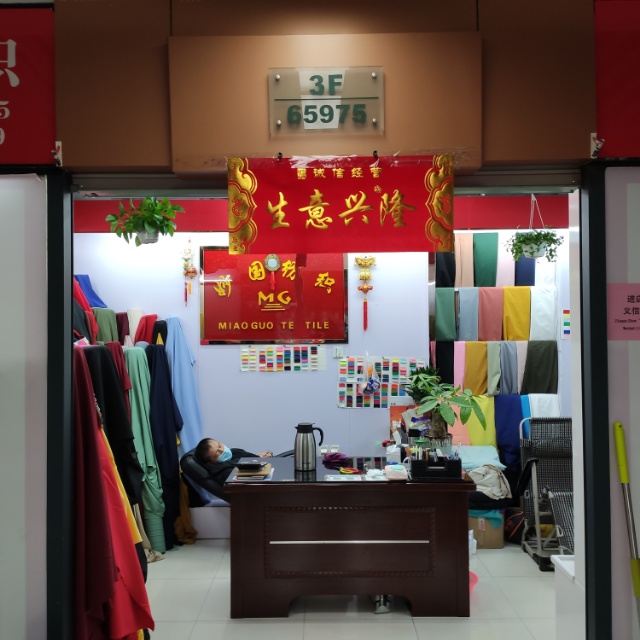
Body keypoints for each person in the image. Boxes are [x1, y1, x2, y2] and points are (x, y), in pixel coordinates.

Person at [180, 438, 273, 503]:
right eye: (217, 453)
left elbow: (251, 459)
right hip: (265, 494)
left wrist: (259, 458)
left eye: (219, 445)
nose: (222, 450)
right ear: (211, 463)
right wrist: (258, 460)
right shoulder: (224, 473)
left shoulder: (234, 452)